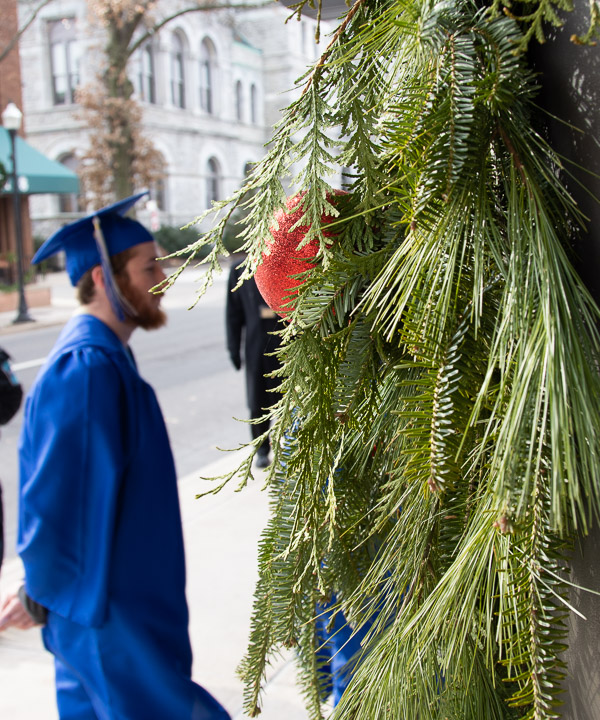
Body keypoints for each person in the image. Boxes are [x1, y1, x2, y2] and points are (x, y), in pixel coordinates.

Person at [0, 191, 231, 720]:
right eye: (149, 266)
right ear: (105, 277)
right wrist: (42, 589)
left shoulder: (107, 360)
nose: (165, 276)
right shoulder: (86, 368)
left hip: (126, 609)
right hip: (109, 618)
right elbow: (63, 497)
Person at [225, 258, 283, 468]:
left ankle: (291, 444)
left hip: (286, 343)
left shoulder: (280, 260)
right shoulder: (239, 270)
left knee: (290, 398)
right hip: (256, 346)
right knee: (258, 401)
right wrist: (233, 348)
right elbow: (233, 314)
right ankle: (261, 449)